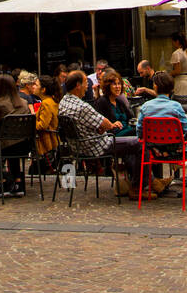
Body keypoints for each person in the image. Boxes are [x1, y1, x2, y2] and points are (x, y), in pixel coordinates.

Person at [58, 70, 144, 198]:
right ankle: (138, 187)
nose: (88, 86)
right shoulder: (82, 106)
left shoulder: (64, 102)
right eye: (86, 83)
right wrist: (110, 125)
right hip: (96, 145)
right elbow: (105, 124)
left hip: (78, 145)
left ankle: (145, 182)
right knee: (140, 143)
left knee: (130, 144)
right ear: (78, 85)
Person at [0, 74, 32, 197]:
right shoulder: (24, 103)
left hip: (4, 146)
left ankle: (3, 180)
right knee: (11, 144)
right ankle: (18, 182)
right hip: (24, 144)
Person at [93, 70, 135, 136]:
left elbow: (130, 117)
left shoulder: (119, 101)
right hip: (113, 135)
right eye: (114, 84)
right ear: (108, 86)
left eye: (119, 84)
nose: (118, 87)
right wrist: (112, 125)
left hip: (127, 131)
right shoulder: (102, 101)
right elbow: (99, 126)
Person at [32, 74, 60, 167]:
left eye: (36, 85)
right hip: (50, 140)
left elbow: (42, 125)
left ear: (43, 90)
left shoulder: (46, 103)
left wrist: (32, 121)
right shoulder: (51, 101)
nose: (33, 86)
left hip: (46, 143)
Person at [169, 32, 187, 98]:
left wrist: (168, 74)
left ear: (177, 41)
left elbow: (177, 71)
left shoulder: (176, 54)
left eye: (173, 42)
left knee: (181, 102)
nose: (173, 44)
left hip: (180, 82)